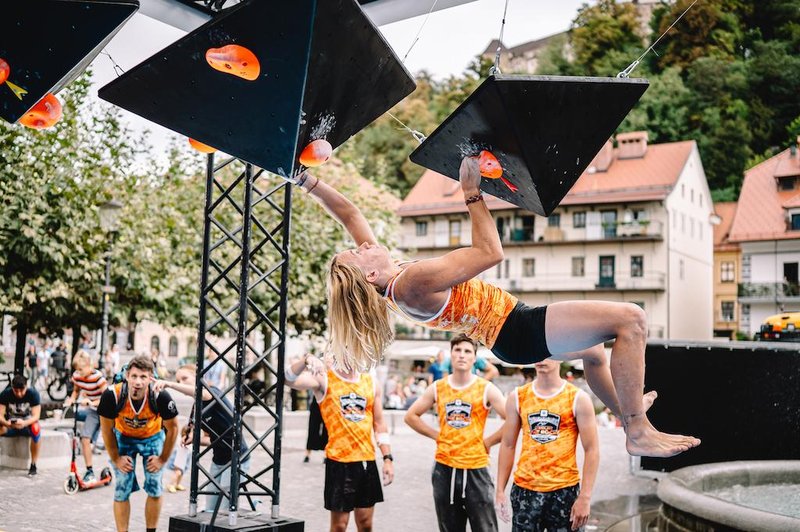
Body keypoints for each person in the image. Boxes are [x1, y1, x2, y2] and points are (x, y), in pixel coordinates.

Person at [298, 158, 700, 458]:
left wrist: (306, 180)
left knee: (596, 355)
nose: (364, 244)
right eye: (358, 252)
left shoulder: (394, 279)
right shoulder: (411, 283)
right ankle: (637, 429)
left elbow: (350, 213)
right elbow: (491, 252)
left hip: (511, 334)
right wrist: (472, 193)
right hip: (516, 328)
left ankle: (625, 409)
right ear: (369, 276)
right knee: (632, 318)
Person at [405, 334, 506, 532]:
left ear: (474, 358)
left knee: (486, 528)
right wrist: (437, 435)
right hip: (445, 468)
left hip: (476, 468)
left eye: (467, 351)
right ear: (450, 355)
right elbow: (411, 416)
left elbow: (513, 420)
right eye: (457, 350)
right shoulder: (438, 388)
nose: (461, 355)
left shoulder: (486, 388)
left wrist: (489, 442)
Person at [284, 353, 393, 532]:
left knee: (365, 524)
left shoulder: (371, 382)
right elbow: (288, 380)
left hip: (366, 462)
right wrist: (306, 360)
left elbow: (379, 424)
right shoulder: (325, 379)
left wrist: (387, 458)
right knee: (339, 526)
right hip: (339, 463)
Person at [495, 357, 600, 531]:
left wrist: (585, 497)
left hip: (564, 491)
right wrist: (500, 490)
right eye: (537, 351)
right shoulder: (518, 397)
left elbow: (592, 449)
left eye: (548, 352)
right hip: (525, 491)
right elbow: (507, 445)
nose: (541, 358)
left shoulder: (577, 398)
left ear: (561, 354)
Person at [153, 364, 251, 513]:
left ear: (198, 377)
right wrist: (193, 439)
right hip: (219, 459)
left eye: (185, 378)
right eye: (178, 380)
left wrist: (169, 384)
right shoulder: (196, 408)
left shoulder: (211, 392)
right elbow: (211, 439)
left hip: (237, 457)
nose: (181, 383)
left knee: (225, 509)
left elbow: (201, 392)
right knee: (210, 508)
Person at [98, 354, 179, 532]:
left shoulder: (160, 396)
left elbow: (173, 429)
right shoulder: (112, 395)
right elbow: (106, 431)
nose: (138, 382)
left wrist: (163, 459)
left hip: (152, 437)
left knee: (154, 486)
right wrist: (117, 458)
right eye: (134, 376)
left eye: (143, 377)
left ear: (151, 378)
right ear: (127, 376)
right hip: (124, 437)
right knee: (121, 487)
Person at [64, 350, 109, 482]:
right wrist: (71, 399)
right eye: (76, 369)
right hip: (93, 411)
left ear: (90, 365)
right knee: (85, 438)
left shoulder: (99, 379)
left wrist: (92, 401)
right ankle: (90, 471)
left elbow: (108, 399)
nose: (78, 372)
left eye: (81, 369)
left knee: (107, 442)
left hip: (106, 411)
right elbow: (76, 390)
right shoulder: (77, 376)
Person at [0, 374, 42, 476]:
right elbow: (0, 415)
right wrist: (7, 424)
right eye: (16, 391)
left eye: (21, 390)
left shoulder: (33, 394)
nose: (19, 394)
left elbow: (36, 416)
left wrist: (24, 423)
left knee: (36, 428)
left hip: (27, 425)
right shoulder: (5, 394)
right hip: (10, 426)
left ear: (26, 386)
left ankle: (33, 465)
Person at [304, 394, 328, 463]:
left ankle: (326, 455)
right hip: (317, 400)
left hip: (329, 401)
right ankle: (307, 454)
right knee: (312, 428)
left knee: (327, 430)